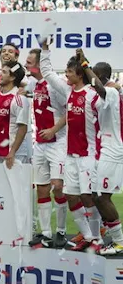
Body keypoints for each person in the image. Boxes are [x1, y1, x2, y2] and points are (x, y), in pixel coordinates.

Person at [40, 39, 102, 252]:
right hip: (70, 154)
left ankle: (97, 236)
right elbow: (47, 72)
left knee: (88, 196)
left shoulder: (92, 95)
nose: (65, 76)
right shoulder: (68, 92)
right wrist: (45, 50)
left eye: (69, 72)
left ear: (79, 74)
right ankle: (88, 236)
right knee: (70, 194)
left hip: (88, 154)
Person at [79, 52, 123, 255]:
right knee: (97, 197)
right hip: (103, 149)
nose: (89, 77)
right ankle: (113, 236)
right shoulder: (101, 94)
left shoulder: (111, 92)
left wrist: (84, 62)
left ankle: (119, 241)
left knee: (103, 198)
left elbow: (97, 85)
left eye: (93, 74)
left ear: (101, 76)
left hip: (113, 150)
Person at [25, 48, 69, 249]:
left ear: (39, 64)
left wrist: (53, 129)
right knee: (41, 188)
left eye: (29, 62)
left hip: (58, 142)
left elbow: (70, 111)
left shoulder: (55, 85)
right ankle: (45, 233)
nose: (26, 64)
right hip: (40, 145)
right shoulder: (34, 84)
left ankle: (61, 230)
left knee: (58, 186)